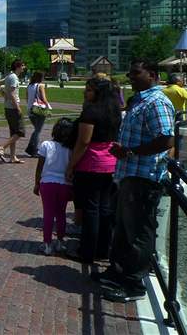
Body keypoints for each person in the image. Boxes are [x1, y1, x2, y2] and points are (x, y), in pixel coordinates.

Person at [95, 59, 175, 303]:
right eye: (129, 73)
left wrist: (130, 152)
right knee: (123, 227)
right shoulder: (142, 100)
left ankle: (133, 284)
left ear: (152, 74)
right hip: (130, 174)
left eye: (135, 73)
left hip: (144, 176)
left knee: (138, 231)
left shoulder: (157, 101)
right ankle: (118, 271)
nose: (130, 77)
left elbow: (166, 140)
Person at [65, 75, 122, 265]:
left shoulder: (91, 112)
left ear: (97, 92)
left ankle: (87, 251)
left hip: (91, 163)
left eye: (88, 90)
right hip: (110, 163)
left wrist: (71, 165)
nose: (84, 93)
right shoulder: (114, 110)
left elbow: (83, 141)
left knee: (91, 209)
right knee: (104, 209)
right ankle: (103, 250)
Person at [33, 118, 75, 255]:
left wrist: (36, 183)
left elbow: (40, 167)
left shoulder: (46, 145)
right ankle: (61, 242)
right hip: (64, 184)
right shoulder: (71, 149)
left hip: (47, 183)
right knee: (61, 213)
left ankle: (47, 244)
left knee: (48, 214)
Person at [0, 59, 26, 164]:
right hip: (13, 108)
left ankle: (12, 157)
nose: (24, 67)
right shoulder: (14, 78)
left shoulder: (9, 76)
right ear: (18, 66)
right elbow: (12, 94)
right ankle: (2, 148)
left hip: (7, 108)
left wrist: (3, 93)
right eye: (23, 65)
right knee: (20, 132)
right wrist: (18, 107)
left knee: (13, 133)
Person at [24, 71, 51, 157]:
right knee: (37, 131)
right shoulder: (40, 86)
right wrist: (48, 108)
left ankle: (32, 148)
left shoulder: (29, 86)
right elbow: (43, 98)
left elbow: (27, 99)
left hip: (30, 110)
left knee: (36, 130)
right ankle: (33, 149)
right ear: (41, 78)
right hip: (38, 110)